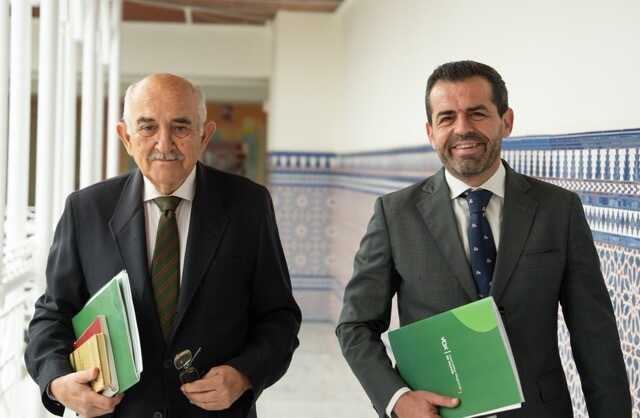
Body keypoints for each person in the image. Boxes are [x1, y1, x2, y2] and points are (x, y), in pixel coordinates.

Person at [336, 60, 631, 418]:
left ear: (506, 121)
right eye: (447, 118)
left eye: (477, 114)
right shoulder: (395, 214)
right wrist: (397, 399)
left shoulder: (558, 209)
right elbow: (355, 326)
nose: (462, 129)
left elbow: (594, 335)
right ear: (430, 132)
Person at [25, 73, 301, 418]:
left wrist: (244, 374)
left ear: (205, 135)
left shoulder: (248, 206)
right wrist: (57, 381)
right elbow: (52, 316)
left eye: (181, 127)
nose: (164, 143)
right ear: (126, 137)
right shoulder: (86, 210)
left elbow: (279, 317)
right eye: (147, 127)